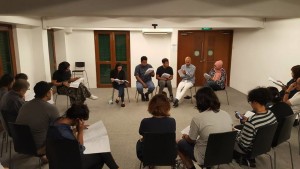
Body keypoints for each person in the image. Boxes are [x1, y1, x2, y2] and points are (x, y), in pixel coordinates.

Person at [47, 104, 120, 169]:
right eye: (83, 120)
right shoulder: (66, 135)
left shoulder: (57, 121)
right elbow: (80, 151)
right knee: (102, 152)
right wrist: (80, 132)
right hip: (66, 164)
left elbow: (64, 136)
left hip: (56, 158)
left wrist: (75, 130)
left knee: (103, 152)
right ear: (78, 120)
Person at [177, 87, 232, 169]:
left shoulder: (198, 118)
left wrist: (185, 136)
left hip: (205, 156)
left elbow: (191, 140)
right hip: (223, 154)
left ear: (199, 102)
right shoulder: (226, 114)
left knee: (179, 143)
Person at [234, 87, 277, 167]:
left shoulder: (252, 122)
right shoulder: (271, 114)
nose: (250, 104)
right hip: (264, 146)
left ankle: (243, 159)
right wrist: (247, 122)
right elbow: (260, 124)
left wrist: (234, 134)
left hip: (249, 149)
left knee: (229, 136)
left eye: (250, 101)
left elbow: (243, 144)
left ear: (255, 102)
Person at [16, 81, 60, 156]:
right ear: (47, 93)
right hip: (38, 146)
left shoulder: (24, 105)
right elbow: (59, 128)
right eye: (51, 91)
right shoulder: (51, 108)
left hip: (20, 143)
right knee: (60, 133)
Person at [136, 94, 176, 161]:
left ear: (151, 106)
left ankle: (151, 163)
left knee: (140, 141)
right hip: (168, 155)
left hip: (147, 155)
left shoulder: (145, 122)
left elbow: (141, 133)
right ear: (167, 107)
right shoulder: (172, 121)